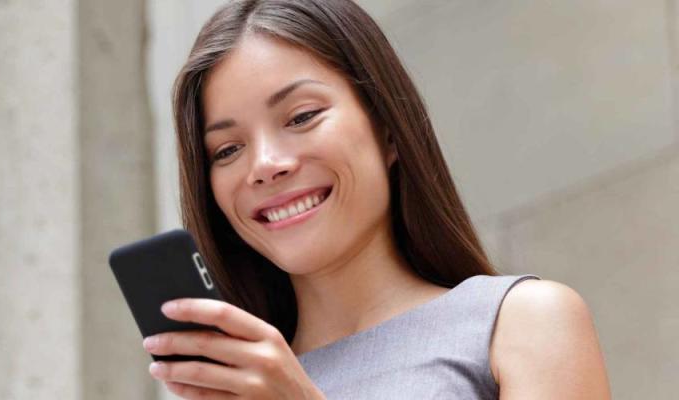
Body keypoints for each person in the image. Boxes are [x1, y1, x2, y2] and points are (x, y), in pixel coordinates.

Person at [140, 0, 611, 398]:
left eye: (301, 117)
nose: (264, 164)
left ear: (387, 130)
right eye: (227, 150)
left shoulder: (523, 321)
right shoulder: (237, 389)